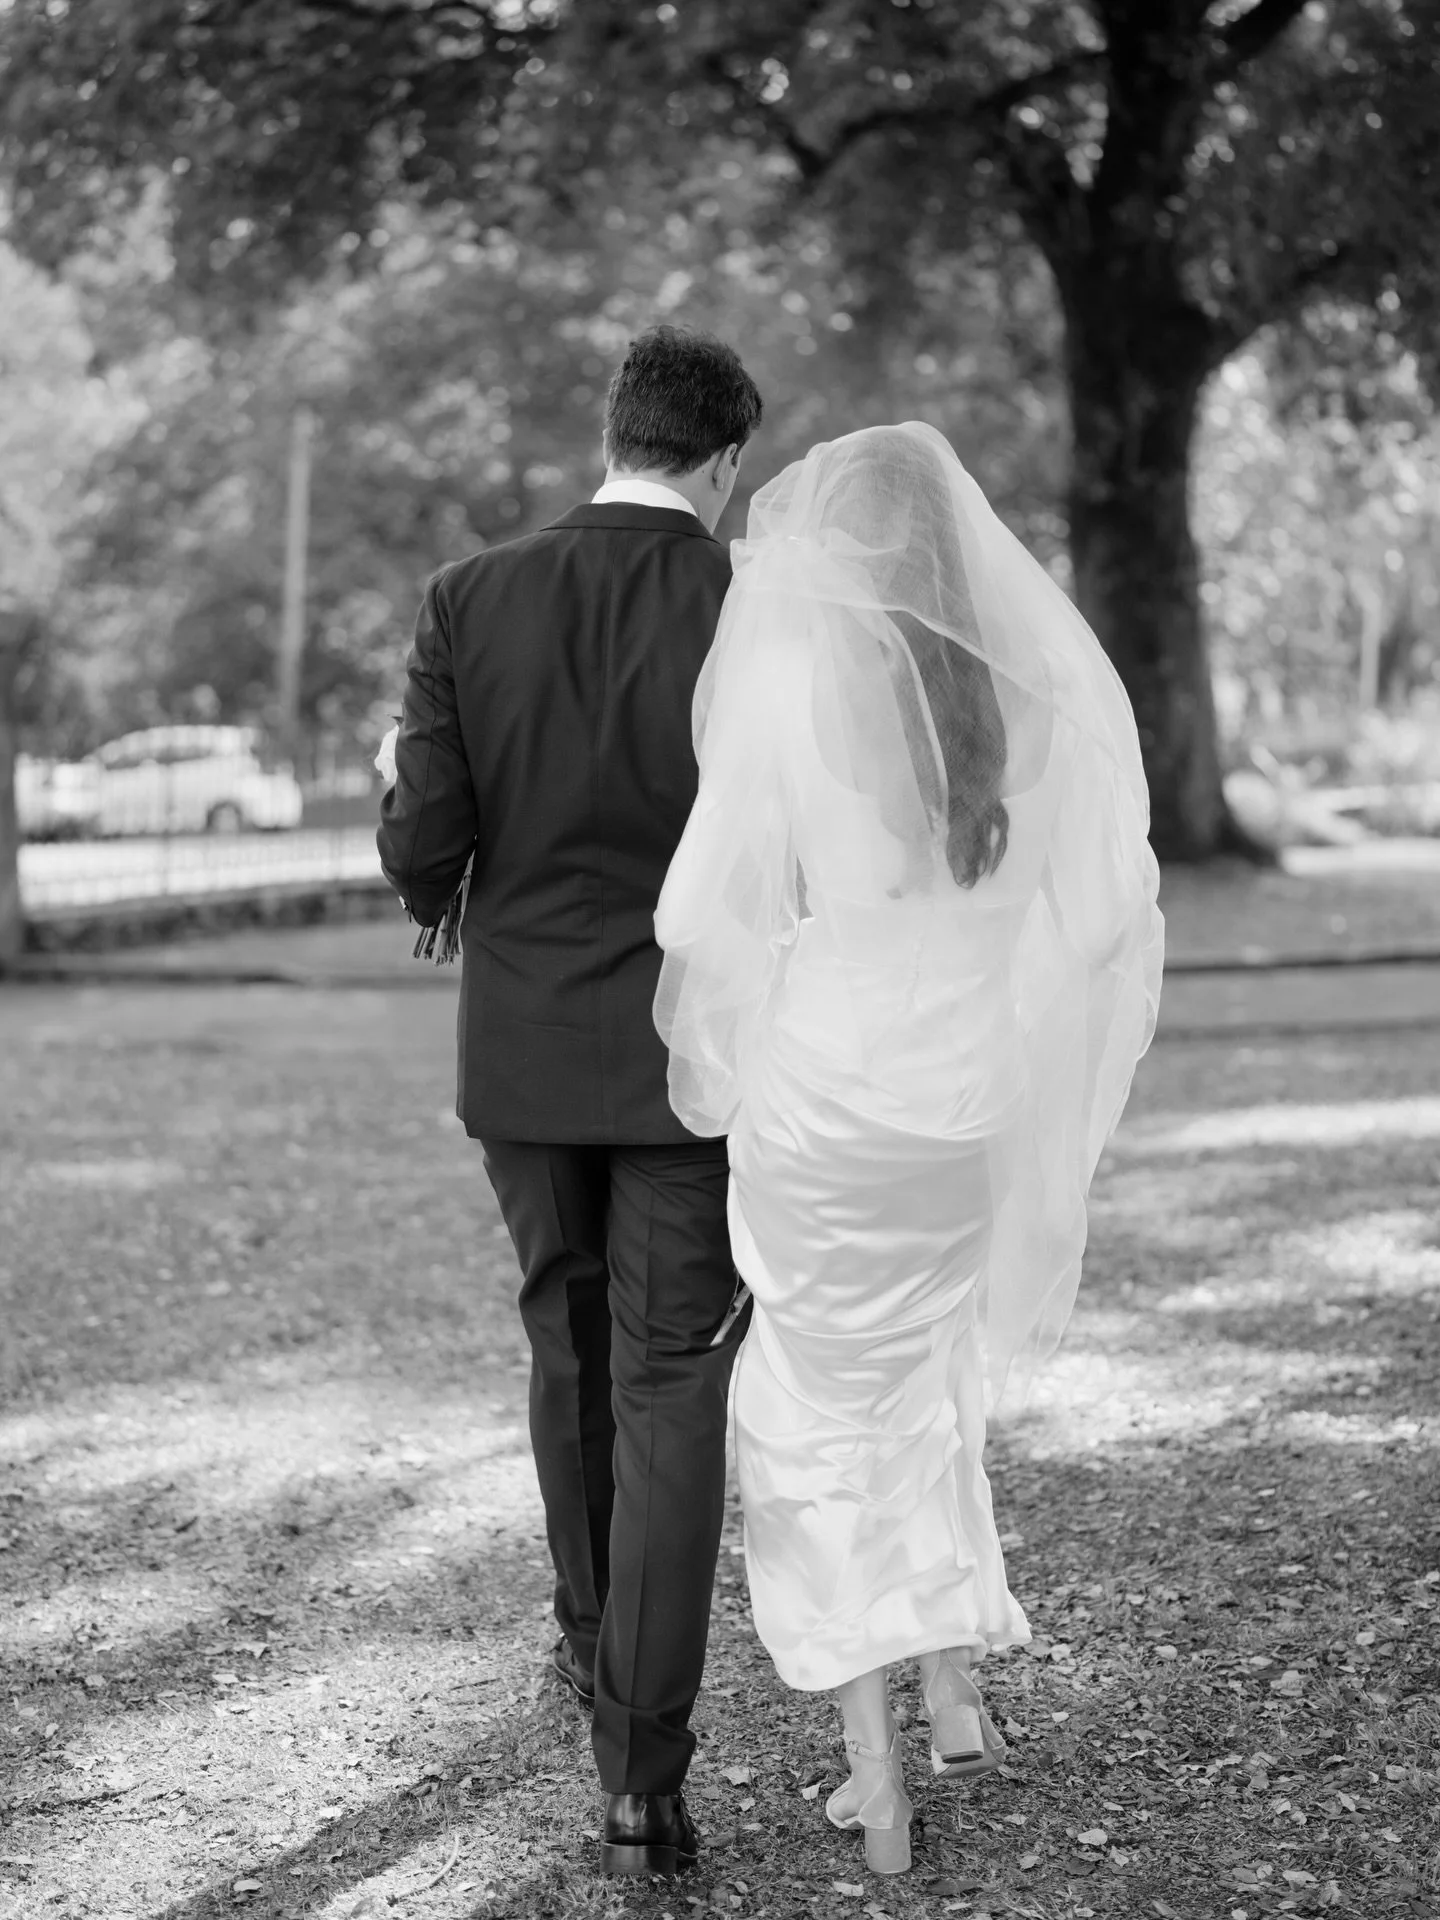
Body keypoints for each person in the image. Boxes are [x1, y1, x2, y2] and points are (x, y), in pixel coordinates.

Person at [653, 422, 1164, 1876]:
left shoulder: (792, 675)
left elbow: (694, 915)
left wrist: (767, 990)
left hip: (829, 1101)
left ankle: (877, 1781)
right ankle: (949, 1691)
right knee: (927, 1373)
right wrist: (1007, 995)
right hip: (967, 1100)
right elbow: (1104, 911)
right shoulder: (1037, 689)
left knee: (814, 1410)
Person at [377, 326, 763, 1879]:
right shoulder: (753, 606)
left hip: (527, 1049)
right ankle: (641, 1775)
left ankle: (590, 1628)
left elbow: (424, 845)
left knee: (568, 1338)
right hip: (695, 1052)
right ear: (722, 459)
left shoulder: (469, 596)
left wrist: (437, 872)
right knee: (672, 1380)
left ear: (616, 433)